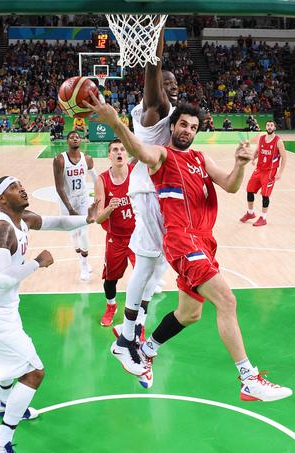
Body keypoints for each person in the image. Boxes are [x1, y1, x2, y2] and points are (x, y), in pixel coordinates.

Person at [86, 96, 293, 402]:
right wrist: (115, 122)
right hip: (182, 240)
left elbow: (232, 185)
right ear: (172, 126)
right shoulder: (162, 156)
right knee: (227, 301)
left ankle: (144, 350)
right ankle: (248, 378)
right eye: (183, 124)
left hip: (204, 241)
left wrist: (240, 164)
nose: (187, 130)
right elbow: (138, 150)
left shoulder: (199, 158)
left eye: (193, 127)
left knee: (190, 313)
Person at [0, 176, 98, 453]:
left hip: (1, 306)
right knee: (34, 372)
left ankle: (4, 403)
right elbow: (1, 279)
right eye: (13, 187)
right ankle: (0, 444)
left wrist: (90, 218)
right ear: (1, 200)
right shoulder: (1, 230)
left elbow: (58, 223)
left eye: (21, 184)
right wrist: (38, 263)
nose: (22, 188)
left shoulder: (22, 218)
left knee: (8, 360)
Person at [109, 34, 177, 381]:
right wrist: (156, 35)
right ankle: (125, 336)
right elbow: (153, 70)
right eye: (167, 85)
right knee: (147, 263)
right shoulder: (155, 110)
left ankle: (133, 330)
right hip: (150, 193)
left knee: (156, 268)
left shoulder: (164, 111)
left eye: (175, 85)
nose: (172, 89)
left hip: (161, 194)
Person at [94, 139, 137, 329]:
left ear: (126, 154)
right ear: (109, 156)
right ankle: (111, 306)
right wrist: (110, 208)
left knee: (141, 280)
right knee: (111, 280)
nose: (119, 152)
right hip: (116, 238)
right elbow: (98, 217)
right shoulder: (102, 180)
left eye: (122, 149)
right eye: (114, 150)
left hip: (138, 237)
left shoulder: (136, 174)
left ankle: (138, 320)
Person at [52, 130, 97, 281]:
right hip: (67, 201)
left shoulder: (88, 159)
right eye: (72, 137)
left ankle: (84, 264)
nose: (75, 138)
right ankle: (80, 256)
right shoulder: (60, 160)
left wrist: (101, 197)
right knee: (74, 234)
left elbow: (97, 180)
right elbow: (59, 187)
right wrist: (70, 209)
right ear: (67, 141)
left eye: (77, 137)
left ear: (81, 140)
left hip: (83, 199)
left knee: (84, 232)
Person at [239, 120, 287, 227]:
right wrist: (253, 158)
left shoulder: (278, 141)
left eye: (271, 125)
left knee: (265, 195)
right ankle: (250, 213)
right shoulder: (261, 138)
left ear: (274, 128)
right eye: (268, 125)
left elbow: (284, 157)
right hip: (259, 169)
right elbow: (257, 150)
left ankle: (263, 218)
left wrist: (280, 173)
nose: (269, 127)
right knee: (249, 190)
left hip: (270, 171)